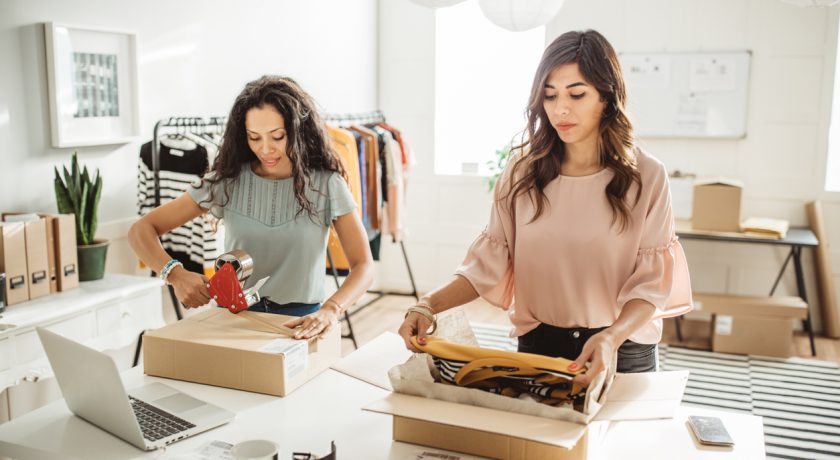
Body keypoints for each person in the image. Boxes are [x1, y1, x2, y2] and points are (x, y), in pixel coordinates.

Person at [398, 30, 692, 386]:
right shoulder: (522, 173)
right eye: (549, 96)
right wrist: (427, 305)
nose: (560, 109)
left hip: (621, 346)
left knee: (624, 443)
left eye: (577, 94)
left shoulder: (647, 177)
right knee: (538, 442)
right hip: (540, 344)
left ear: (607, 95)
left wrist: (612, 337)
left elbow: (650, 287)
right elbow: (486, 266)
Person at [129, 75, 374, 340]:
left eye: (277, 136)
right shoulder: (227, 181)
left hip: (301, 324)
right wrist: (174, 274)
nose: (266, 149)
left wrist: (331, 309)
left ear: (298, 130)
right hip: (231, 319)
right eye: (254, 137)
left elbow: (363, 265)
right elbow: (141, 230)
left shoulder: (327, 184)